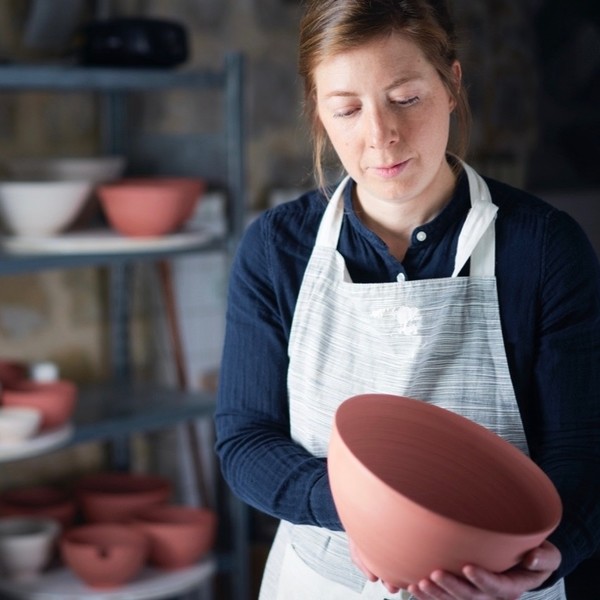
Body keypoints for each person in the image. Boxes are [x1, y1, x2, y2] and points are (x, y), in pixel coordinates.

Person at [215, 0, 600, 598]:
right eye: (346, 109)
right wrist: (369, 512)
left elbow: (583, 449)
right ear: (319, 113)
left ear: (451, 84)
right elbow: (246, 442)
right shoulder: (275, 249)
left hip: (499, 585)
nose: (380, 136)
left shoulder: (544, 248)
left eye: (405, 98)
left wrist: (551, 555)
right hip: (323, 581)